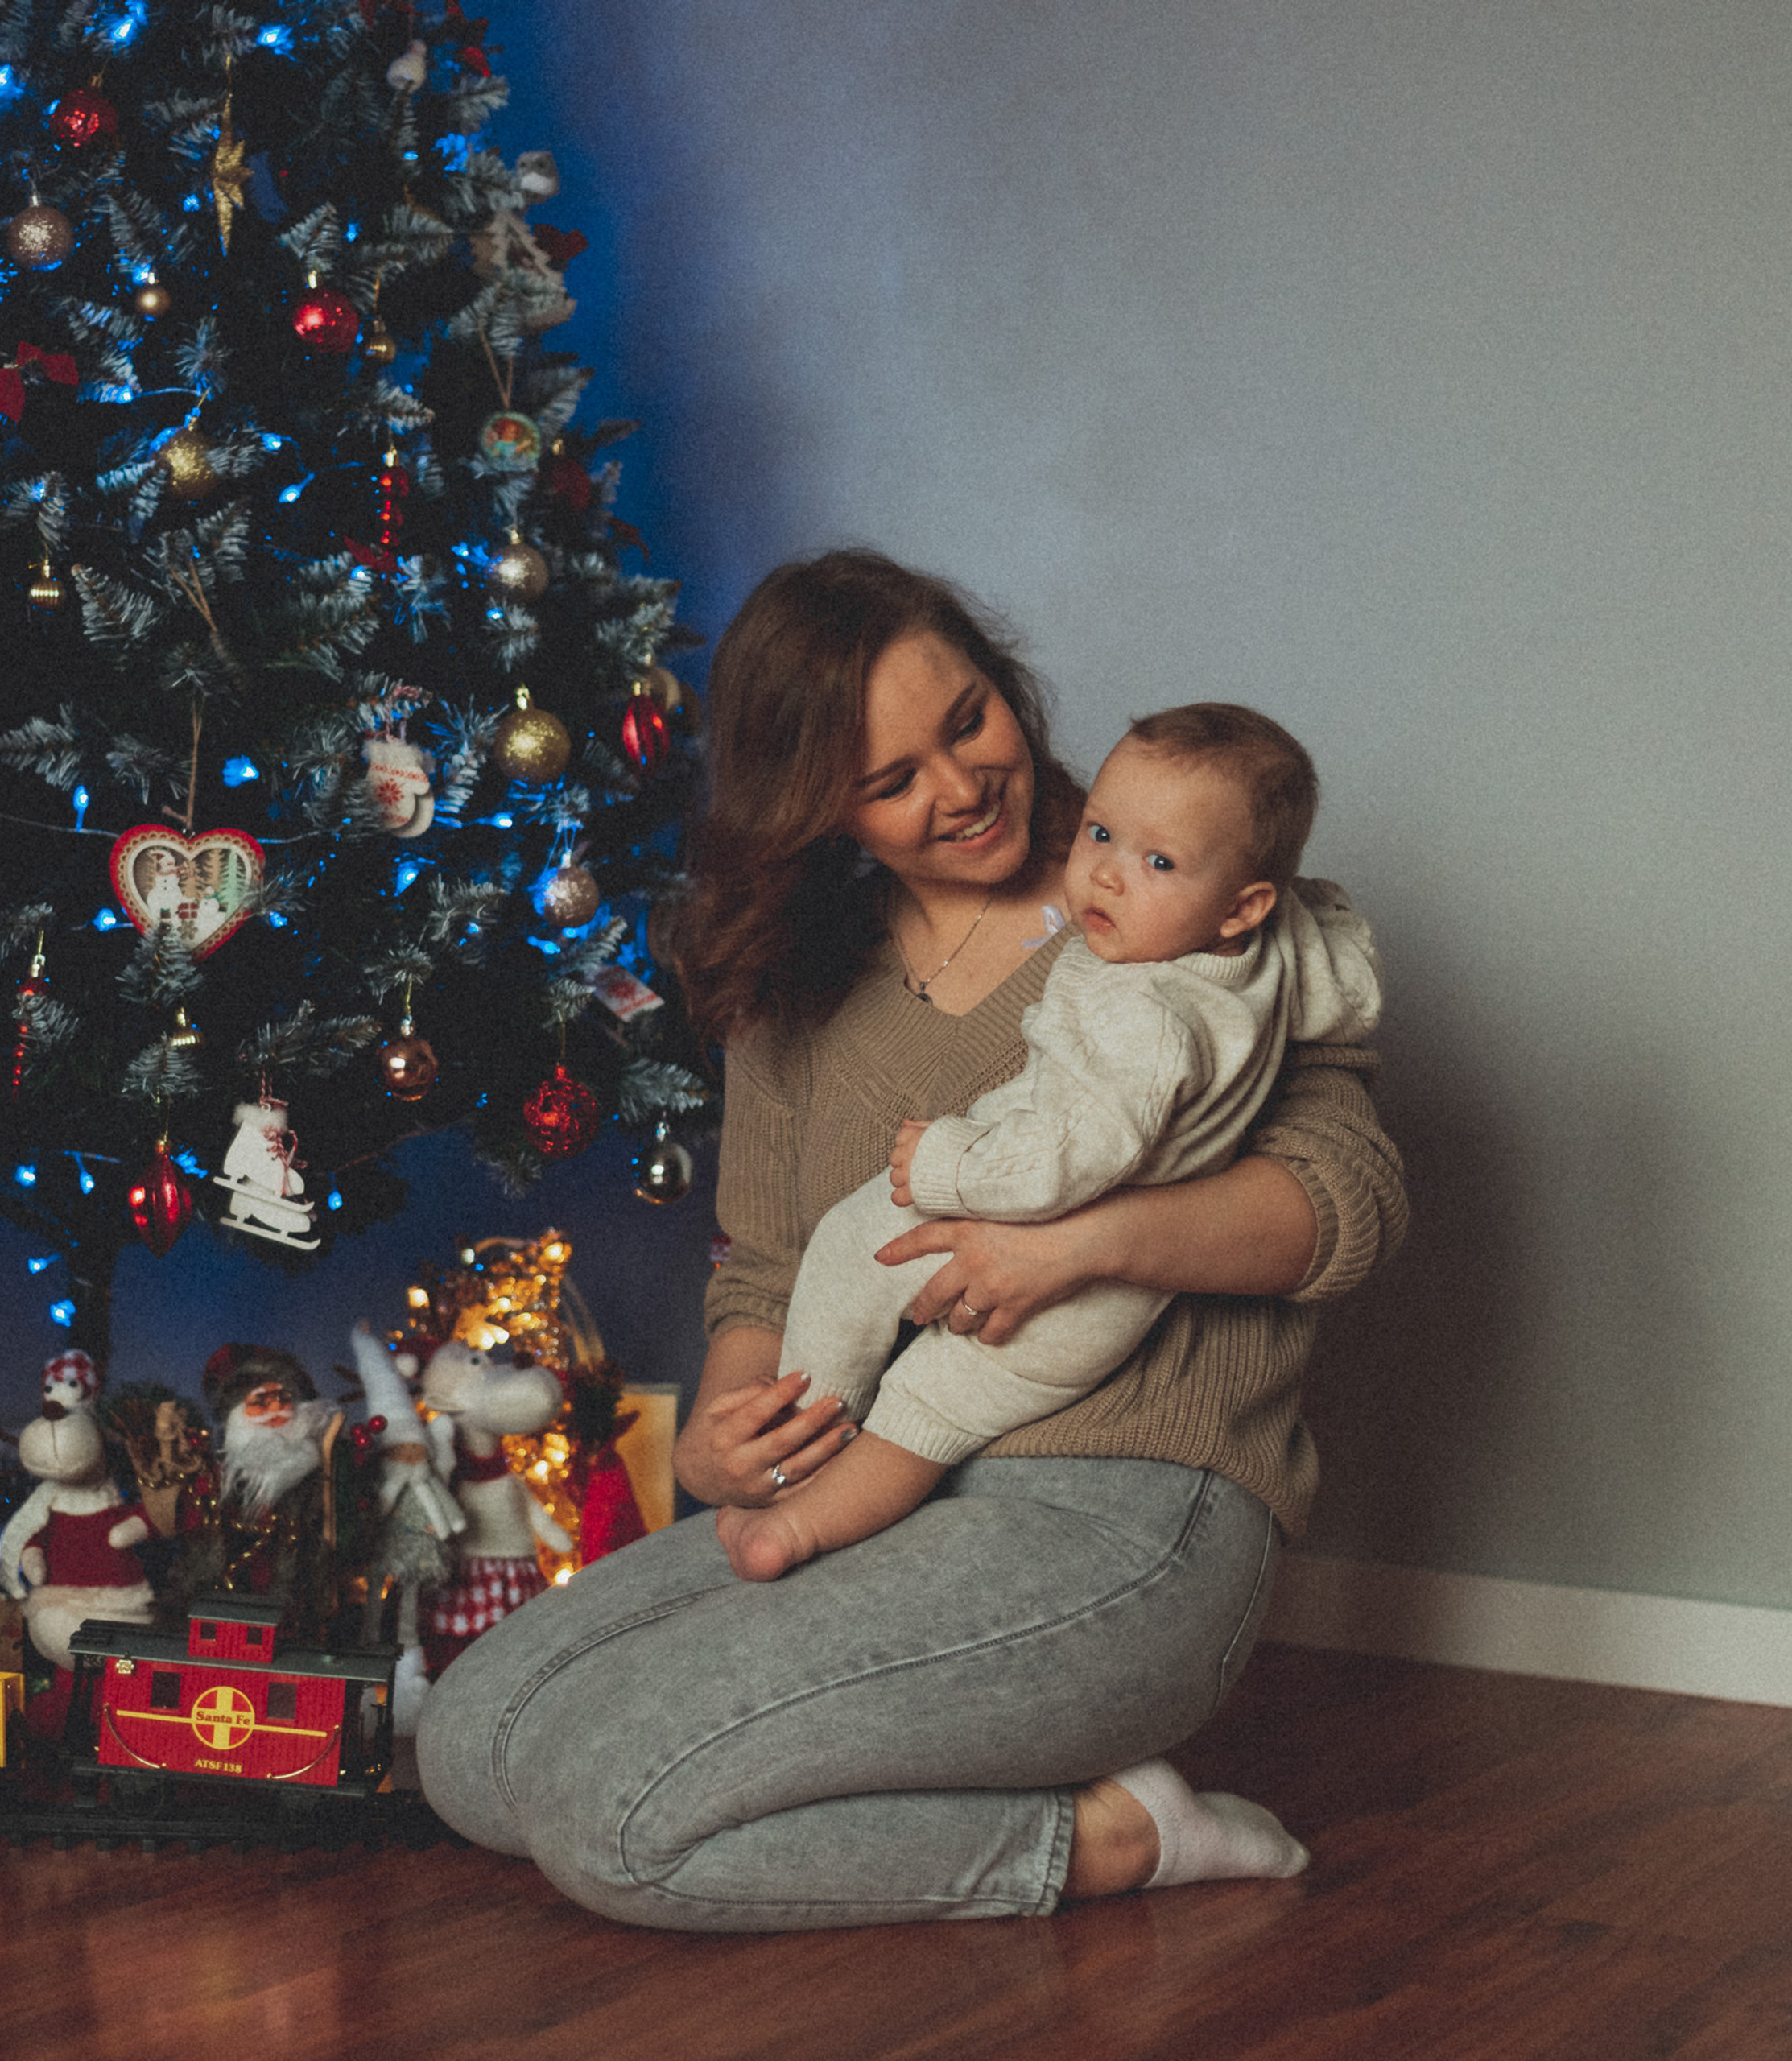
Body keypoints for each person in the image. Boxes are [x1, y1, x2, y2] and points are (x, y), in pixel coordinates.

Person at [416, 550, 1406, 1931]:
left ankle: (1115, 1835)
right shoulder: (798, 973)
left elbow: (1345, 1206)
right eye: (891, 779)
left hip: (1119, 1508)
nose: (962, 786)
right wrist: (721, 1441)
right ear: (819, 809)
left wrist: (1081, 1247)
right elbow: (764, 1265)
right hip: (863, 1492)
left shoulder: (1179, 892)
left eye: (969, 721)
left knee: (609, 1824)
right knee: (471, 1752)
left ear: (1006, 688)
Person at [716, 703, 1382, 1583]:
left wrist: (945, 1163)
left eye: (1157, 862)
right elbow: (1341, 986)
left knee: (889, 1330)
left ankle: (797, 1503)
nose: (1105, 876)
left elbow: (1067, 1158)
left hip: (1052, 1238)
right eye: (1100, 833)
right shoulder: (1274, 946)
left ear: (1241, 905)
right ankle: (795, 1502)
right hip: (1099, 1292)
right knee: (924, 1402)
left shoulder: (1144, 1014)